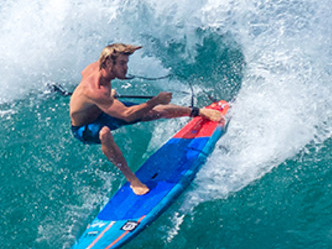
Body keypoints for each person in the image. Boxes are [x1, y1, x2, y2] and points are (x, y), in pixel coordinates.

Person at [69, 43, 223, 195]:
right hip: (84, 127)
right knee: (104, 132)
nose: (126, 68)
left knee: (151, 112)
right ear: (109, 63)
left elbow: (84, 73)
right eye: (122, 64)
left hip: (102, 108)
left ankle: (197, 111)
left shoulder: (97, 67)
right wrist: (156, 100)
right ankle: (133, 180)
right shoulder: (95, 90)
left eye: (126, 63)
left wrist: (103, 99)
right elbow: (127, 114)